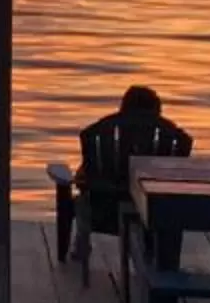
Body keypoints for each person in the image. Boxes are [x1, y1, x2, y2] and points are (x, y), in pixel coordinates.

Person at [69, 83, 193, 281]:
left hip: (101, 212)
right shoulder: (169, 144)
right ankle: (159, 256)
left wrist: (81, 177)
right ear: (157, 111)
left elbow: (86, 177)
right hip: (151, 214)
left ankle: (80, 247)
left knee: (82, 192)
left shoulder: (102, 144)